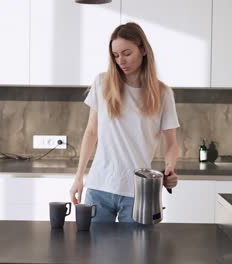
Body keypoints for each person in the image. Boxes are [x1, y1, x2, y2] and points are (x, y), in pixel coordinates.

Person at [69, 22, 180, 223]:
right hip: (99, 187)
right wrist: (79, 177)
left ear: (143, 50)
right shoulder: (102, 83)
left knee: (138, 253)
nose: (120, 60)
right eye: (115, 55)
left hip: (139, 192)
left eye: (127, 53)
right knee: (94, 252)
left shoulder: (162, 93)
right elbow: (91, 132)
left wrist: (170, 168)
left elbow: (171, 143)